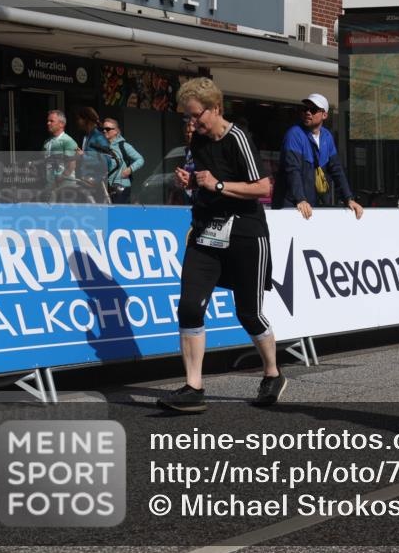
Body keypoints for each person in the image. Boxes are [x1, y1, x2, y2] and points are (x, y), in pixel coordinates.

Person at [161, 77, 285, 412]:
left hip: (246, 233)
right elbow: (204, 185)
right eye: (187, 118)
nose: (192, 123)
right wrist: (189, 183)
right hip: (206, 233)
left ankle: (272, 373)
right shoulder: (198, 143)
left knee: (248, 312)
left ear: (215, 108)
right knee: (189, 305)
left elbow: (262, 188)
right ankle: (193, 387)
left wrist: (217, 186)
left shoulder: (238, 139)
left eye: (196, 116)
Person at [276, 93, 363, 220]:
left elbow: (336, 169)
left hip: (311, 206)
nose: (308, 112)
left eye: (313, 110)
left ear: (324, 115)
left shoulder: (327, 137)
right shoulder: (294, 134)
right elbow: (292, 169)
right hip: (291, 206)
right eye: (305, 109)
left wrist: (349, 199)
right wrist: (301, 199)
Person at [101, 118, 144, 204]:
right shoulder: (104, 147)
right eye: (103, 129)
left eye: (108, 129)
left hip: (121, 187)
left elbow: (140, 159)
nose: (104, 131)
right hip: (108, 188)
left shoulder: (124, 146)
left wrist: (129, 169)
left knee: (118, 215)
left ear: (116, 131)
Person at [42, 109, 78, 185]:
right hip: (50, 186)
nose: (48, 123)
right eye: (48, 121)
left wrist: (59, 180)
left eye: (52, 121)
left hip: (65, 187)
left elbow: (71, 164)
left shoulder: (68, 141)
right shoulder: (46, 142)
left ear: (61, 124)